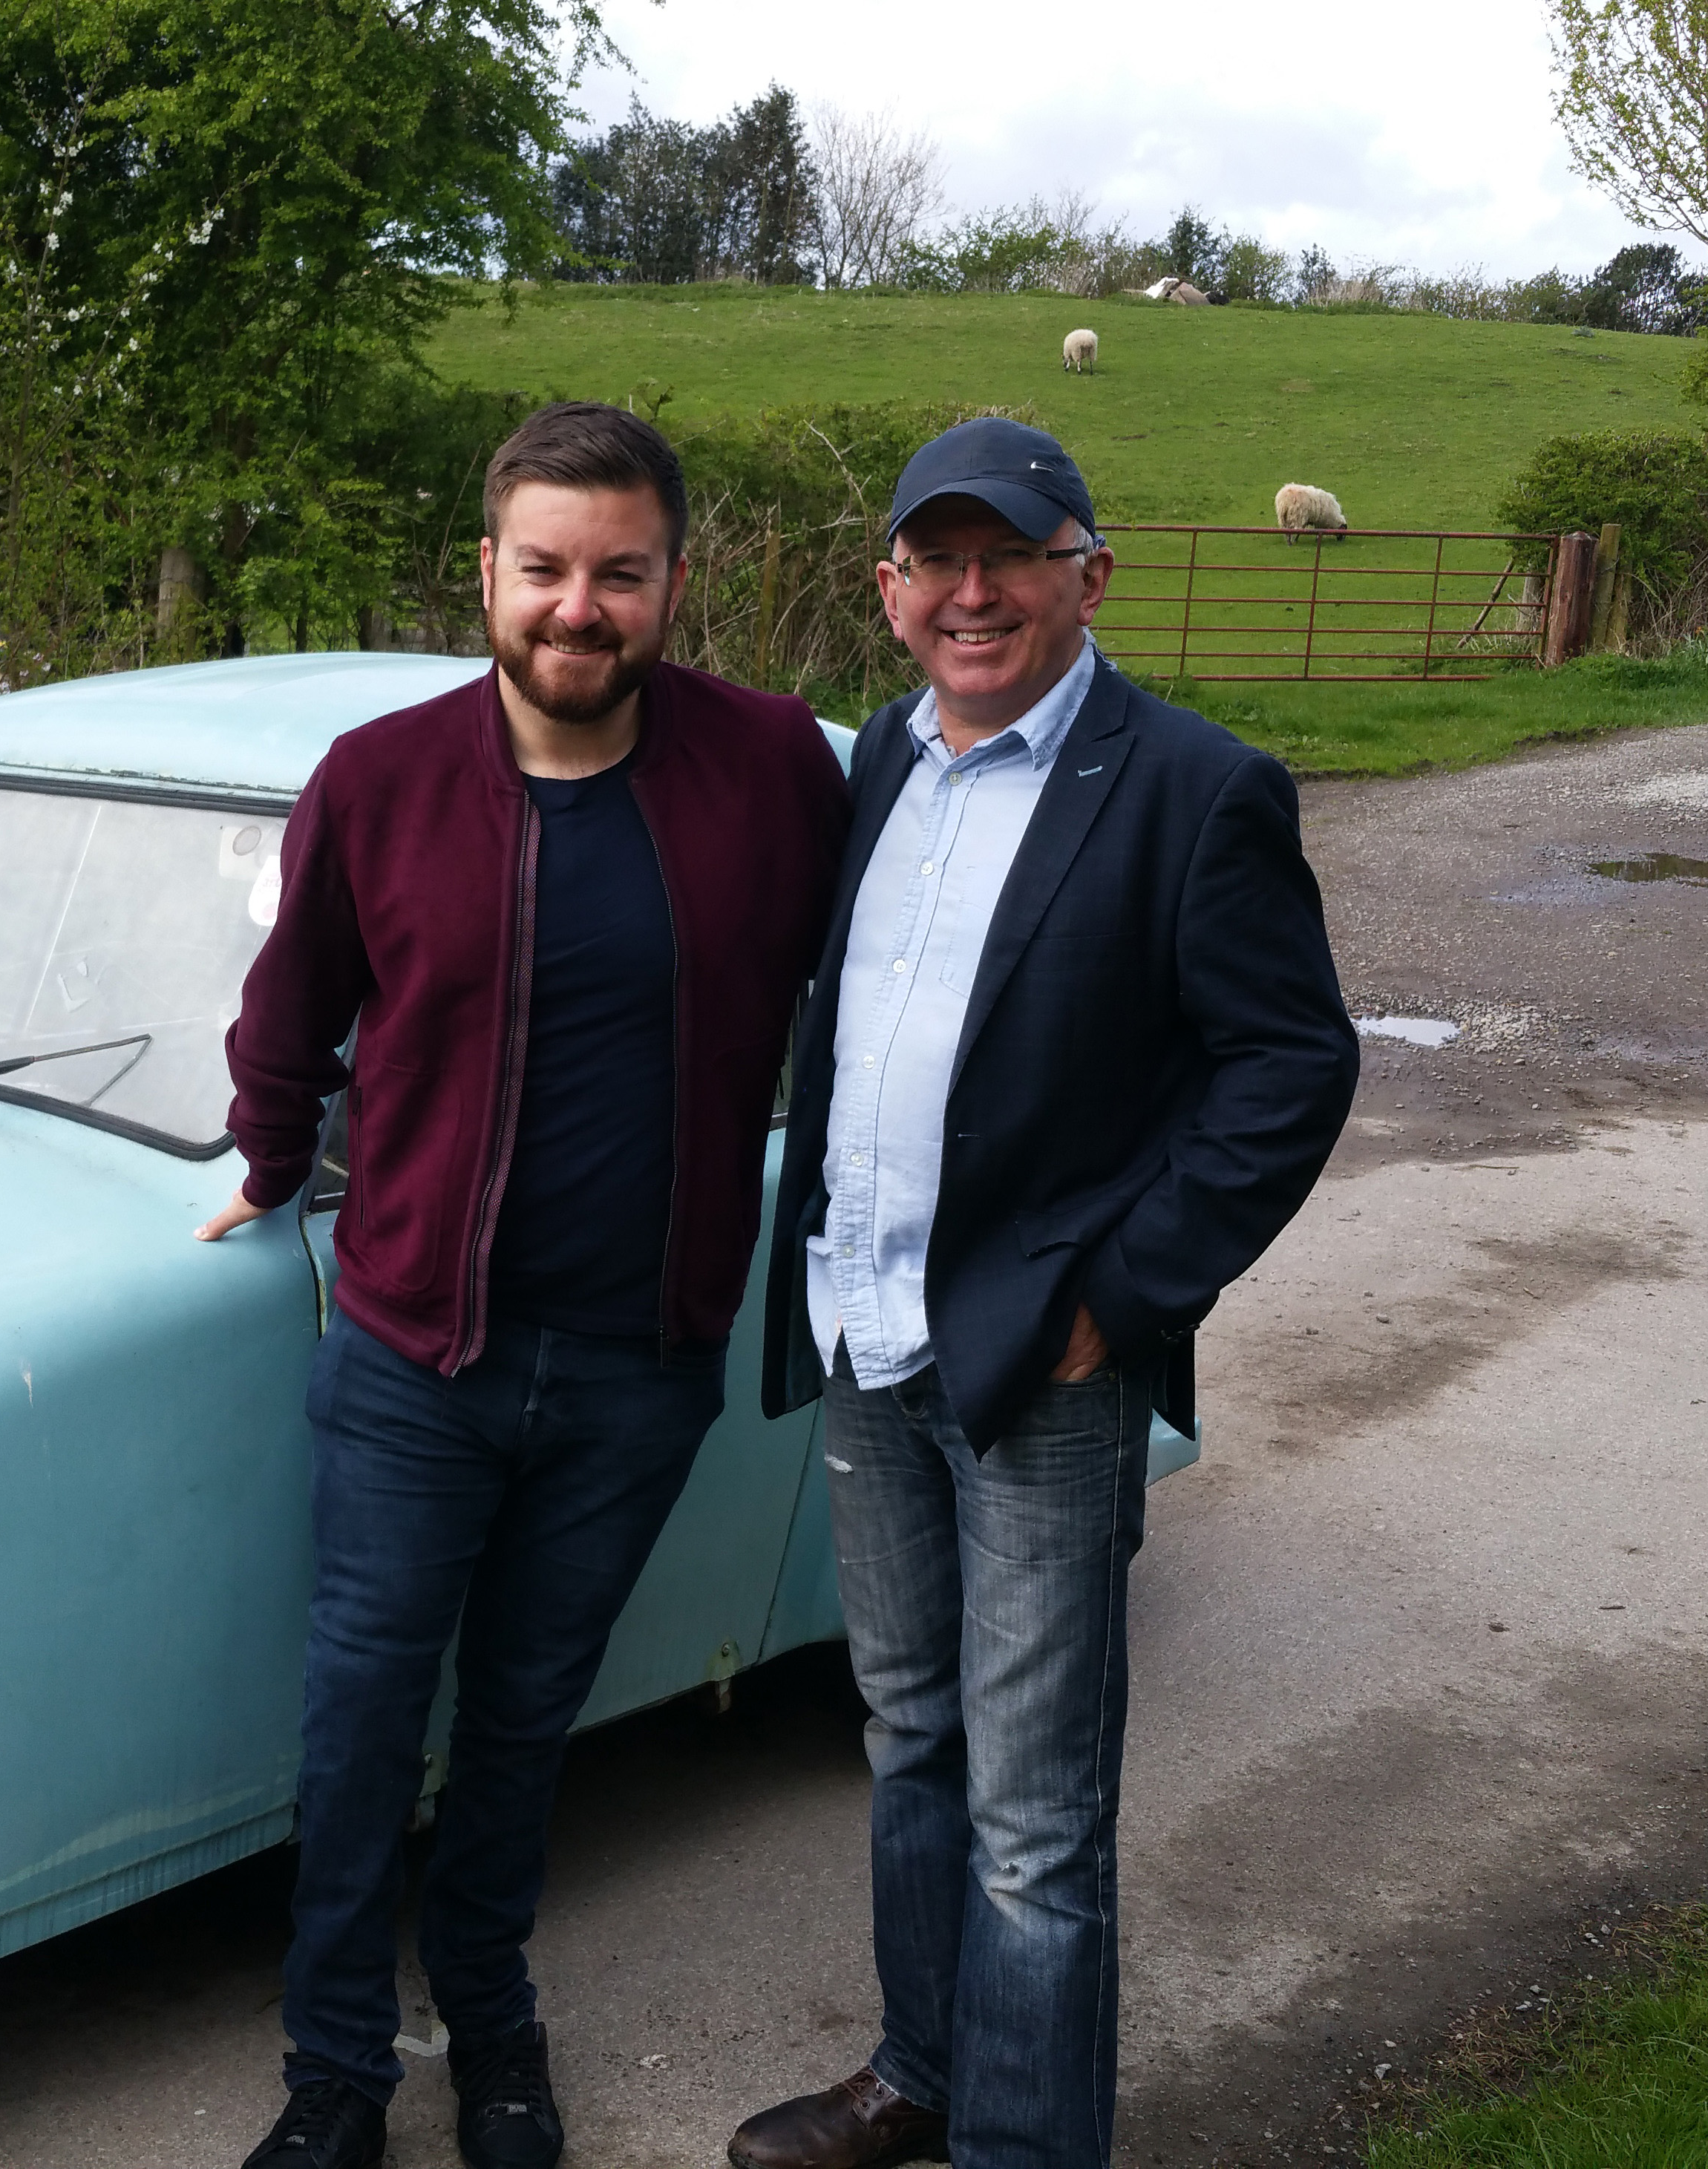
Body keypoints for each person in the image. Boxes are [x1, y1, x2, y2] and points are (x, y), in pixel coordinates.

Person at [195, 401, 849, 2169]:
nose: (580, 608)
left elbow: (891, 978)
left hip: (641, 1365)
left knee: (521, 1723)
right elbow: (290, 1007)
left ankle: (492, 2029)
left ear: (671, 584)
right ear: (485, 574)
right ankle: (334, 2075)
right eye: (545, 570)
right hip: (416, 1354)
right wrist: (264, 1160)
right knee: (354, 1725)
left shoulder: (775, 769)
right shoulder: (382, 781)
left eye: (618, 575)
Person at [724, 419, 1358, 2169]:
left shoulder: (1191, 785)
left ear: (1090, 571)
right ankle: (921, 2076)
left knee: (1037, 1823)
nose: (971, 592)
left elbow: (1286, 1070)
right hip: (865, 1328)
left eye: (1008, 554)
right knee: (908, 1737)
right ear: (889, 593)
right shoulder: (879, 762)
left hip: (1044, 1367)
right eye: (936, 560)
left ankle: (1023, 2144)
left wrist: (1124, 1294)